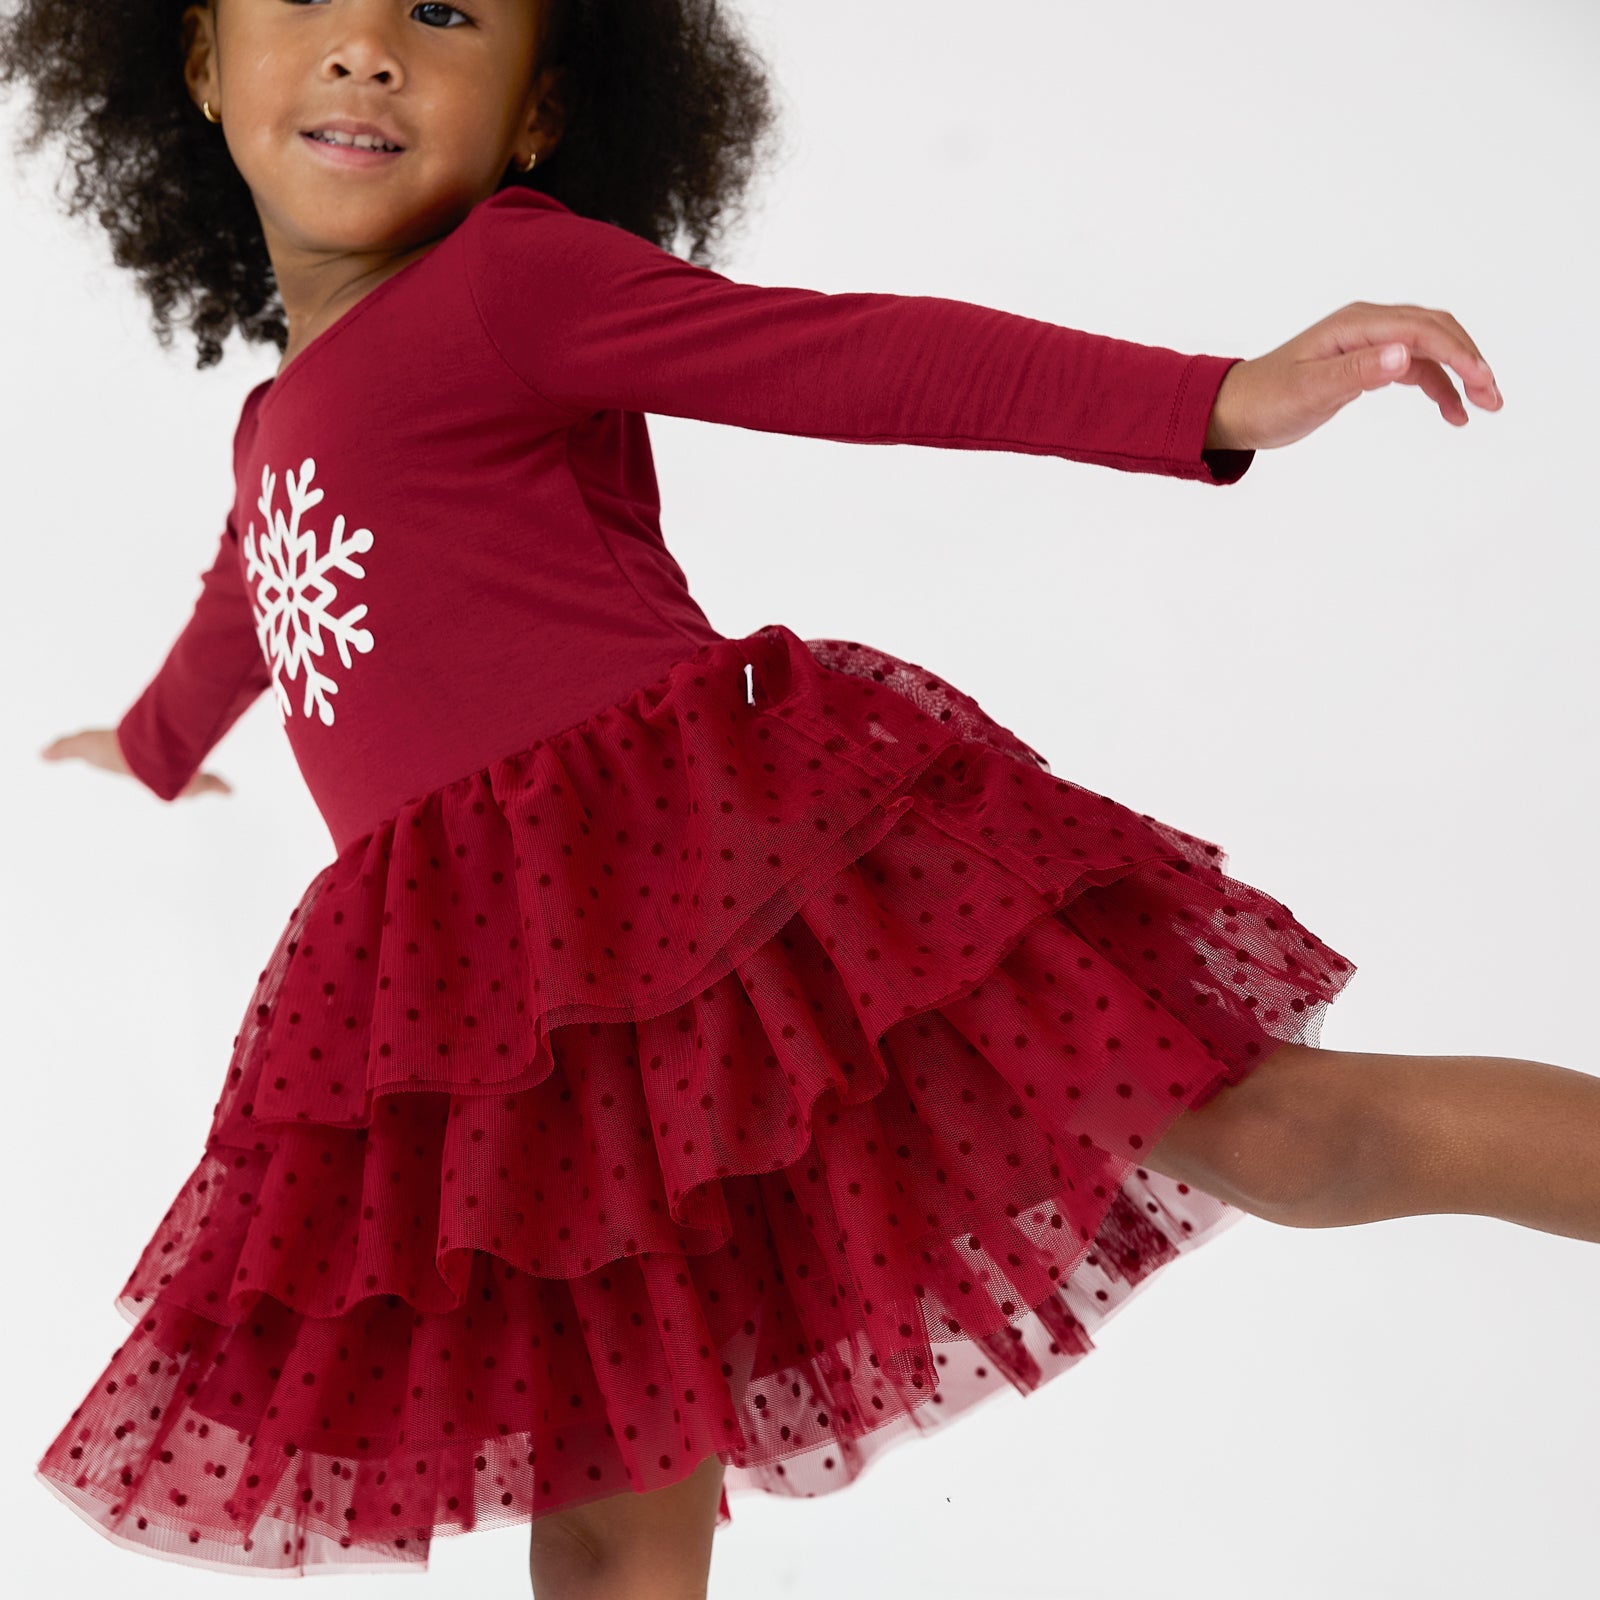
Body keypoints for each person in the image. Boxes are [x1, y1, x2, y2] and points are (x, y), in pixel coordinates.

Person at [11, 1, 1583, 1595]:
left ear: (542, 108)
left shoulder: (507, 281)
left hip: (724, 866)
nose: (367, 50)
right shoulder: (272, 418)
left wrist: (1215, 395)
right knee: (613, 1492)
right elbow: (255, 597)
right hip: (519, 1009)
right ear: (200, 67)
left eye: (441, 10)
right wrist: (143, 744)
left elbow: (841, 357)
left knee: (1282, 1136)